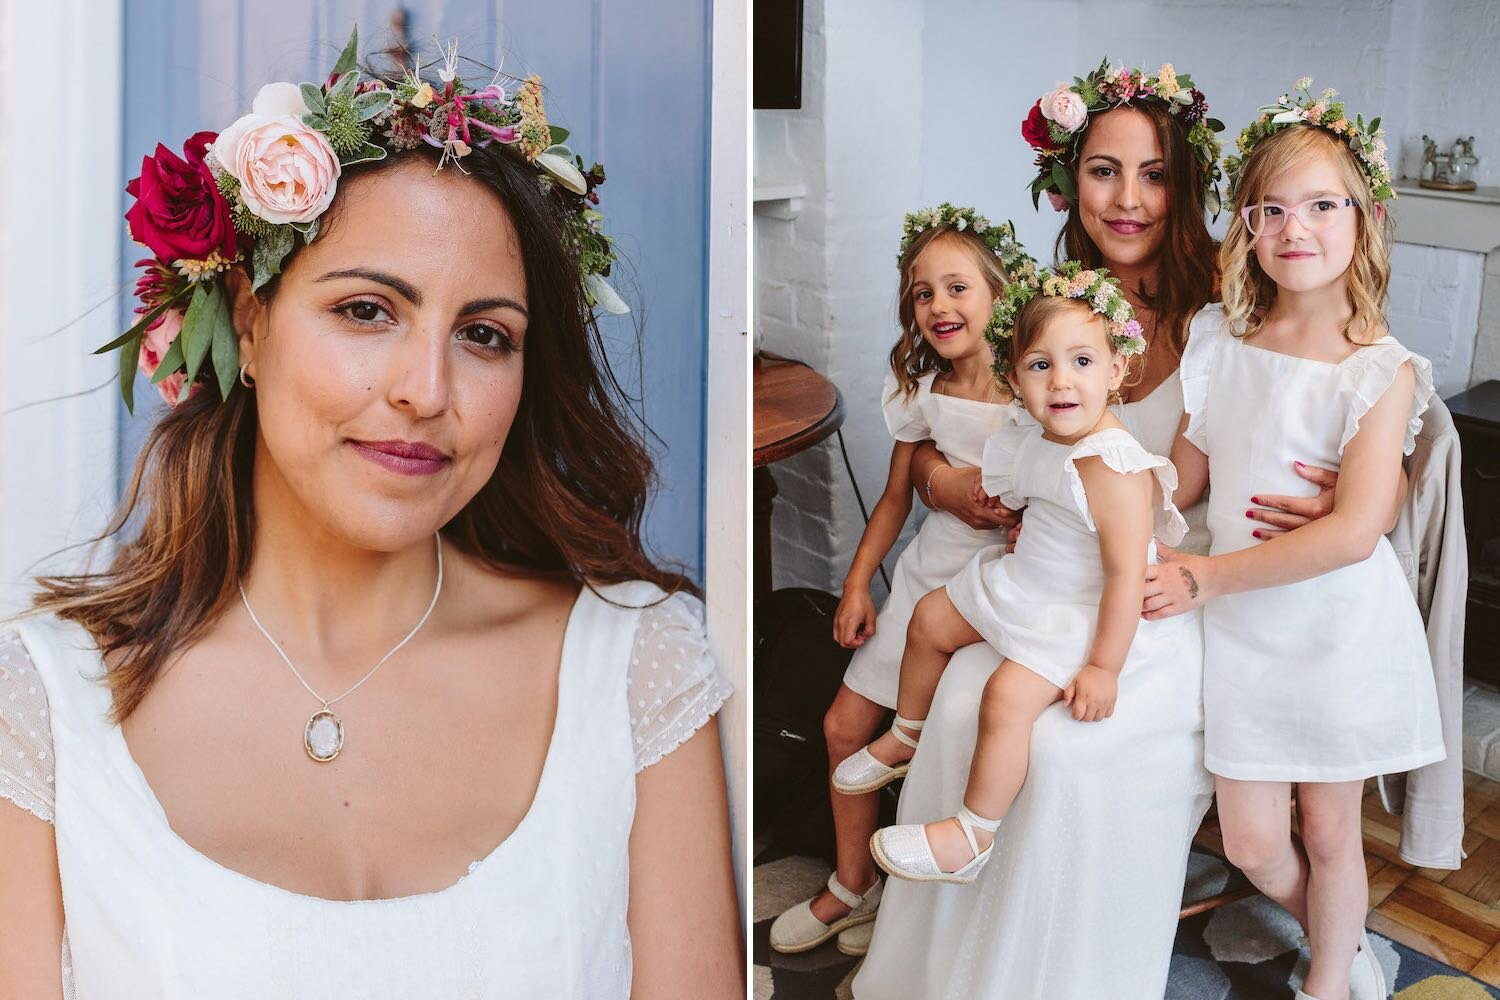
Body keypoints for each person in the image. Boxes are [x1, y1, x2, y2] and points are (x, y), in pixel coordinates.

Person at [0, 29, 741, 1000]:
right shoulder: (47, 705)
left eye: (484, 335)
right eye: (366, 311)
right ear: (250, 323)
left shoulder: (638, 667)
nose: (426, 390)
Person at [853, 60, 1227, 999]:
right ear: (1067, 179)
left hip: (1161, 577)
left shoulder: (1224, 306)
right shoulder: (1043, 296)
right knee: (961, 695)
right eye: (1103, 170)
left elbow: (1198, 474)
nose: (1129, 199)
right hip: (1049, 569)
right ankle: (936, 965)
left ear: (1184, 185)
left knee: (1060, 752)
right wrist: (943, 481)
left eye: (1154, 174)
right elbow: (965, 424)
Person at [1150, 80, 1443, 1000]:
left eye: (1321, 206)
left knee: (1327, 831)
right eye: (1270, 209)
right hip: (1243, 630)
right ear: (1245, 226)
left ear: (1363, 221)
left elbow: (1356, 531)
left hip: (1329, 627)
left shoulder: (1380, 368)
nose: (1295, 229)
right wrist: (1111, 498)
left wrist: (1204, 576)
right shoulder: (1217, 339)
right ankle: (1342, 937)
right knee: (1251, 841)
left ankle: (1327, 978)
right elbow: (1183, 477)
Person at [848, 264, 1194, 885]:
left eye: (1083, 362)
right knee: (929, 619)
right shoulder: (1037, 435)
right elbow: (1043, 505)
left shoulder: (1112, 464)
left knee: (1005, 697)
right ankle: (906, 732)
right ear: (1014, 380)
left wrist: (1103, 666)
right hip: (1028, 579)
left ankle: (971, 835)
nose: (1061, 382)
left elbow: (1122, 576)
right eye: (1040, 366)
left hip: (1078, 608)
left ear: (1116, 371)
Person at [769, 205, 1023, 953]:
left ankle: (923, 917)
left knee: (947, 745)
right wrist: (855, 586)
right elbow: (893, 498)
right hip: (923, 576)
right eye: (922, 292)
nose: (940, 305)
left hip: (997, 588)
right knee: (845, 727)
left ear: (998, 295)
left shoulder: (1031, 389)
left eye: (957, 287)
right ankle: (855, 882)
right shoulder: (920, 389)